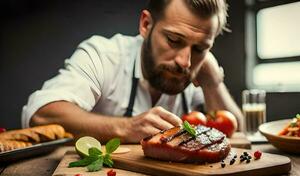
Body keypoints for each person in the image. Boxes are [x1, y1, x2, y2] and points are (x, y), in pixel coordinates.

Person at [22, 0, 243, 143]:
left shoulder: (197, 68)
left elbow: (238, 132)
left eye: (200, 48)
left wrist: (213, 83)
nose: (184, 62)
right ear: (146, 25)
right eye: (174, 40)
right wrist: (125, 128)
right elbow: (42, 113)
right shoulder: (103, 55)